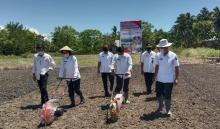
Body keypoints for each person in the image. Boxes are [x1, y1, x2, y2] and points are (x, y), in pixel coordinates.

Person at [154, 39, 180, 117]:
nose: (163, 49)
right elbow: (157, 66)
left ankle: (168, 110)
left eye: (164, 47)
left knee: (167, 95)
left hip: (169, 80)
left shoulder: (173, 55)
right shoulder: (158, 55)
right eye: (161, 47)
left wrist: (176, 78)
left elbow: (177, 67)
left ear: (168, 47)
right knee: (158, 94)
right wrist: (154, 76)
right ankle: (160, 106)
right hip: (159, 79)